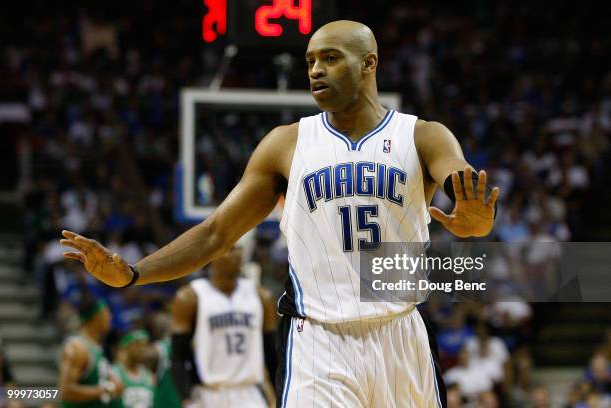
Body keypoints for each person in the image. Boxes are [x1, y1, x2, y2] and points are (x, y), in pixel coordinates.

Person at [60, 20, 499, 407]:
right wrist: (134, 273)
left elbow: (464, 190)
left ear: (369, 64)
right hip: (318, 340)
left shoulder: (423, 135)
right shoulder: (286, 144)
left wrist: (474, 221)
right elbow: (215, 234)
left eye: (331, 58)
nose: (315, 70)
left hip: (401, 334)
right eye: (310, 60)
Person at [170, 245, 276, 407]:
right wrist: (185, 395)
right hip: (207, 392)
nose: (234, 254)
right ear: (210, 255)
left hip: (249, 392)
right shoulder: (190, 297)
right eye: (229, 248)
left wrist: (277, 391)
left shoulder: (262, 296)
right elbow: (178, 355)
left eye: (237, 249)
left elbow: (272, 353)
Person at [59, 296, 123, 407]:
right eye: (106, 313)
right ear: (96, 316)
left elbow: (116, 386)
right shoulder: (78, 348)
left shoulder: (97, 348)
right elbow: (66, 391)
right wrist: (106, 390)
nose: (110, 317)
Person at [112, 330, 155, 408]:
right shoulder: (114, 372)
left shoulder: (149, 375)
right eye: (138, 345)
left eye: (145, 346)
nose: (143, 349)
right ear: (127, 347)